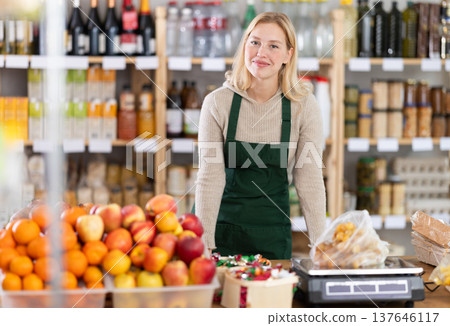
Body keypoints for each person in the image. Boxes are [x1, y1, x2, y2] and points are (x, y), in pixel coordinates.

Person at [194, 12, 326, 259]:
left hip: (273, 235)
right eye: (254, 42)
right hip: (222, 234)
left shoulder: (303, 106)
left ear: (288, 54)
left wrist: (320, 245)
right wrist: (204, 243)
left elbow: (309, 180)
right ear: (245, 45)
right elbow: (209, 177)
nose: (261, 53)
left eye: (273, 46)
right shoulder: (217, 103)